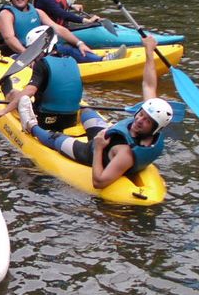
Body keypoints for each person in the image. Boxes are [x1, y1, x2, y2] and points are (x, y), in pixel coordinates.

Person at [19, 35, 174, 189]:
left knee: (55, 138)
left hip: (90, 151)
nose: (139, 120)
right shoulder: (154, 120)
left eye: (146, 121)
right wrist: (148, 51)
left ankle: (30, 125)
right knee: (86, 110)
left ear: (155, 127)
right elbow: (148, 85)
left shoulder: (125, 154)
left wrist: (99, 147)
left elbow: (99, 182)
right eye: (141, 115)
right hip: (105, 137)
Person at [0, 0, 126, 63]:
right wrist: (28, 56)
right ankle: (98, 61)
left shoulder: (37, 12)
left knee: (66, 48)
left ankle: (101, 60)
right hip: (16, 58)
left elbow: (58, 28)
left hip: (36, 53)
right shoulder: (6, 14)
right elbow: (10, 38)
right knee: (57, 54)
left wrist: (80, 43)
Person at [0, 25, 85, 132]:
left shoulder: (42, 64)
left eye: (33, 50)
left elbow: (30, 91)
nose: (32, 54)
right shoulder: (72, 61)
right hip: (71, 119)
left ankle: (29, 124)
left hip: (45, 121)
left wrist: (4, 111)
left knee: (15, 93)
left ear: (44, 47)